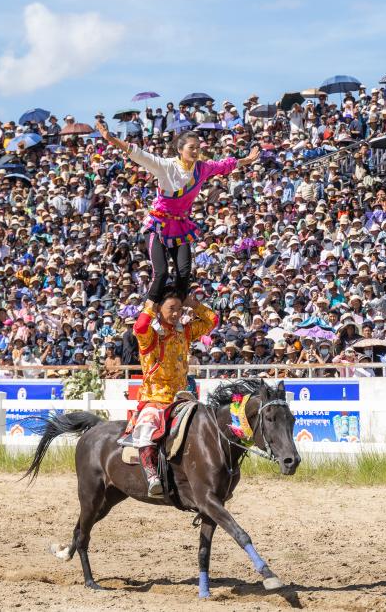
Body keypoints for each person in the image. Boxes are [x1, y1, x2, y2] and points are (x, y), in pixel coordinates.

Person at [97, 122, 260, 302]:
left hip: (180, 224)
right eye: (191, 147)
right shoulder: (166, 166)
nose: (196, 151)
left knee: (184, 271)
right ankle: (149, 309)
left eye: (198, 147)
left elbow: (225, 165)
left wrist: (247, 160)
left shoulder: (202, 168)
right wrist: (111, 139)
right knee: (161, 272)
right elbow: (137, 153)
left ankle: (180, 304)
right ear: (180, 149)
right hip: (158, 224)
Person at [120, 291, 218, 497]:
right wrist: (150, 307)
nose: (176, 314)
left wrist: (194, 304)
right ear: (159, 309)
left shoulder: (186, 331)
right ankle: (152, 476)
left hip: (182, 397)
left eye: (179, 309)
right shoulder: (150, 336)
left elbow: (212, 321)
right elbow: (139, 327)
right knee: (147, 428)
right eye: (171, 309)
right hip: (155, 399)